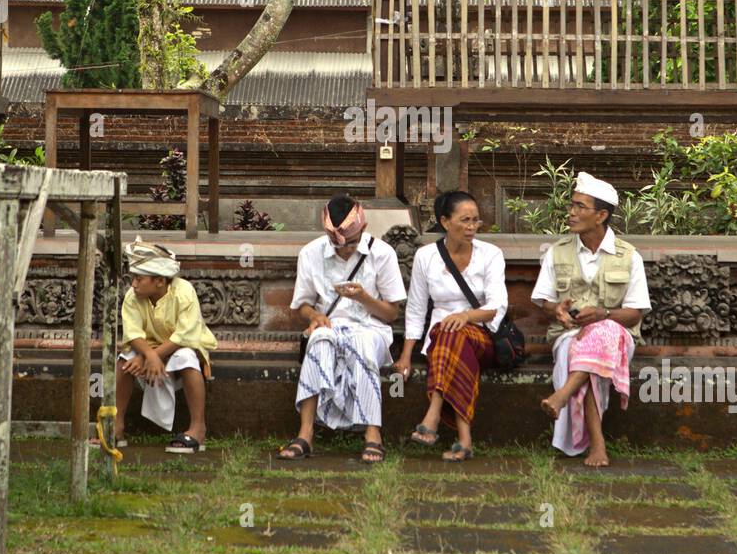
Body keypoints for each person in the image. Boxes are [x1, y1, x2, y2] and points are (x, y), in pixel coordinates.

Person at [531, 172, 651, 467]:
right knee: (582, 352)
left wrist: (603, 314)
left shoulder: (628, 255)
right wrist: (556, 310)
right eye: (571, 205)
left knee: (603, 332)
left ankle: (563, 397)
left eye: (580, 207)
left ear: (601, 215)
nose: (571, 212)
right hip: (568, 335)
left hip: (618, 337)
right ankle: (598, 445)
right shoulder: (557, 253)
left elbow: (635, 312)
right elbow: (544, 303)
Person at [277, 196, 407, 463]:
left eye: (351, 242)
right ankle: (305, 434)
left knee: (361, 344)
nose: (345, 249)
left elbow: (391, 313)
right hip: (331, 325)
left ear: (364, 227)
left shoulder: (383, 254)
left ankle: (373, 435)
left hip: (371, 328)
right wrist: (315, 316)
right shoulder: (311, 253)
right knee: (319, 341)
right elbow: (301, 305)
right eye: (338, 244)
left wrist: (363, 298)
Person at [395, 190, 507, 463]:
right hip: (442, 339)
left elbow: (497, 306)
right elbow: (417, 307)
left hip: (482, 333)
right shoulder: (426, 256)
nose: (471, 227)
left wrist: (467, 316)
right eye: (465, 220)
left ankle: (432, 416)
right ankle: (464, 440)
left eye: (476, 221)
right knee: (449, 336)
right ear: (445, 222)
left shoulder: (490, 254)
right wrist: (406, 354)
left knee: (451, 332)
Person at [112, 238, 219, 453]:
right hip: (148, 348)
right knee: (125, 361)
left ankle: (198, 428)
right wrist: (148, 355)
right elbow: (133, 334)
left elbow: (185, 335)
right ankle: (116, 425)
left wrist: (151, 356)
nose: (133, 284)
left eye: (139, 279)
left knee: (187, 358)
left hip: (182, 347)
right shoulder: (133, 297)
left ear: (160, 281)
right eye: (133, 278)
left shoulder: (184, 291)